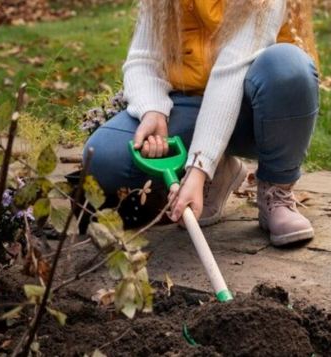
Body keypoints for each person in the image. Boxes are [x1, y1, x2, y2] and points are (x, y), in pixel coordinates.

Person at [84, 0, 319, 246]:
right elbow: (142, 59)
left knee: (288, 65)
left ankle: (276, 189)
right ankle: (220, 171)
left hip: (259, 109)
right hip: (189, 104)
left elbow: (231, 70)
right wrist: (152, 110)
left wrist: (198, 168)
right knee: (105, 158)